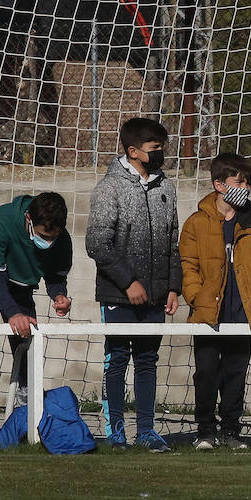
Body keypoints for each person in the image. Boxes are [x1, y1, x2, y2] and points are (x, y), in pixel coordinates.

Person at [86, 117, 181, 452]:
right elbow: (98, 244)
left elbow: (172, 242)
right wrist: (129, 283)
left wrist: (173, 286)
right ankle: (115, 433)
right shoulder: (108, 189)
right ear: (133, 151)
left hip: (155, 296)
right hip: (119, 294)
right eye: (155, 149)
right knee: (117, 359)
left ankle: (145, 431)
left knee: (147, 361)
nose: (161, 154)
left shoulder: (166, 188)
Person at [0, 192, 74, 448]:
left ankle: (28, 422)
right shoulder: (0, 223)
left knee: (27, 349)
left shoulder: (62, 240)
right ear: (28, 219)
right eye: (43, 236)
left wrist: (59, 295)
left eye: (54, 237)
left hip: (19, 286)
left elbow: (55, 275)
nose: (48, 241)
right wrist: (14, 313)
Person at [180, 153, 251, 451]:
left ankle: (231, 431)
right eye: (238, 181)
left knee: (236, 373)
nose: (245, 187)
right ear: (219, 185)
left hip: (242, 311)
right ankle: (205, 431)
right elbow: (188, 264)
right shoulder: (196, 223)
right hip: (209, 312)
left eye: (247, 182)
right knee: (206, 373)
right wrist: (197, 296)